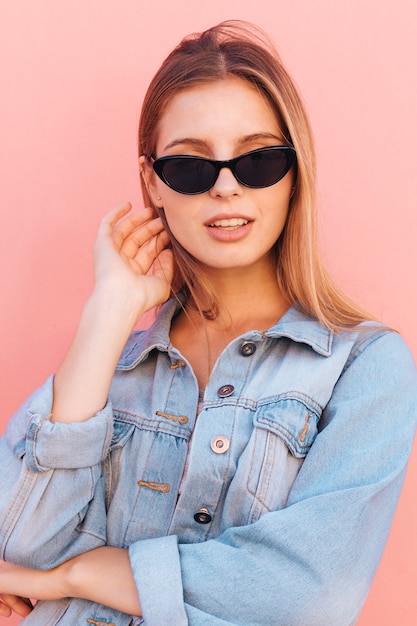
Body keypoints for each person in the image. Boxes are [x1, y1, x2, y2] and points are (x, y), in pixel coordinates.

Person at [0, 19, 416, 626]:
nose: (225, 186)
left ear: (295, 172)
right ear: (153, 183)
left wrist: (72, 574)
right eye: (192, 168)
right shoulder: (106, 368)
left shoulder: (364, 367)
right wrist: (108, 313)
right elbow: (18, 542)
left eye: (257, 160)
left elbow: (310, 596)